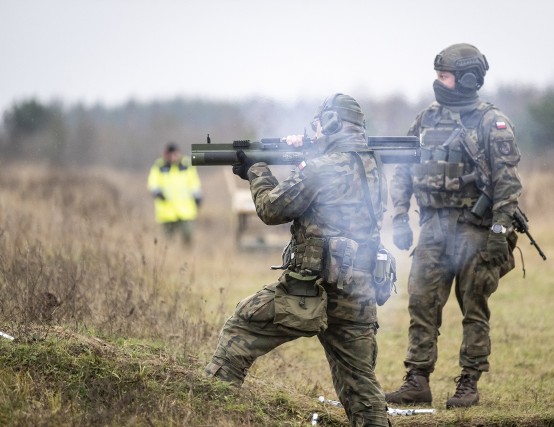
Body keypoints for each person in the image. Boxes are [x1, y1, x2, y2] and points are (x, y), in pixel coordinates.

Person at [205, 94, 391, 426]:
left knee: (241, 327)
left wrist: (257, 170)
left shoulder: (323, 168)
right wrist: (309, 152)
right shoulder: (370, 166)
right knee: (361, 389)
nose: (314, 130)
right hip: (358, 289)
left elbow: (272, 209)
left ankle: (208, 411)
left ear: (334, 123)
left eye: (320, 124)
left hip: (312, 289)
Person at [384, 43, 522, 409]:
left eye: (444, 75)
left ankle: (469, 383)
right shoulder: (426, 119)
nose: (437, 82)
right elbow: (402, 167)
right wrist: (399, 215)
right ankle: (416, 381)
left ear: (467, 79)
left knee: (474, 307)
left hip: (476, 229)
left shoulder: (492, 122)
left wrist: (497, 234)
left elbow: (508, 186)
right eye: (437, 74)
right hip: (433, 229)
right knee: (421, 304)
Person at [147, 142, 202, 247]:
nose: (173, 157)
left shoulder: (186, 165)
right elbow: (152, 183)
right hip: (167, 210)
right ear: (165, 154)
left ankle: (187, 256)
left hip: (185, 209)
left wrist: (197, 196)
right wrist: (157, 192)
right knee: (167, 240)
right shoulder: (159, 166)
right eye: (170, 154)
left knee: (188, 235)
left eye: (175, 154)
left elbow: (194, 182)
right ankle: (171, 257)